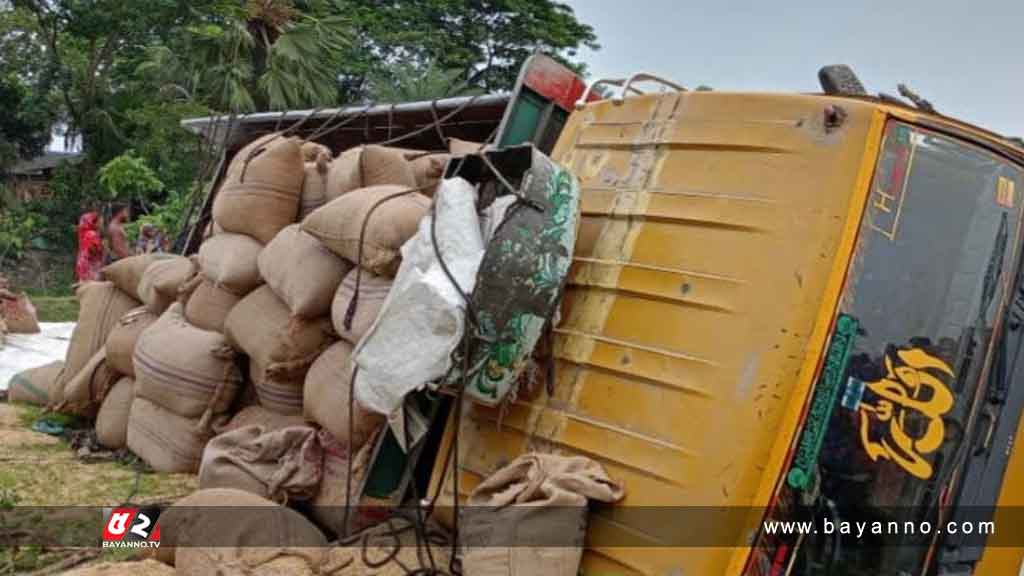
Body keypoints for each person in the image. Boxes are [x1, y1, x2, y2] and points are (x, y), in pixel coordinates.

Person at [75, 211, 104, 282]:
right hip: (91, 266)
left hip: (83, 265)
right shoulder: (92, 234)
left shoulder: (84, 233)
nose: (101, 224)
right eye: (100, 222)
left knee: (84, 286)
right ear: (93, 222)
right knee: (92, 287)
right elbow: (94, 250)